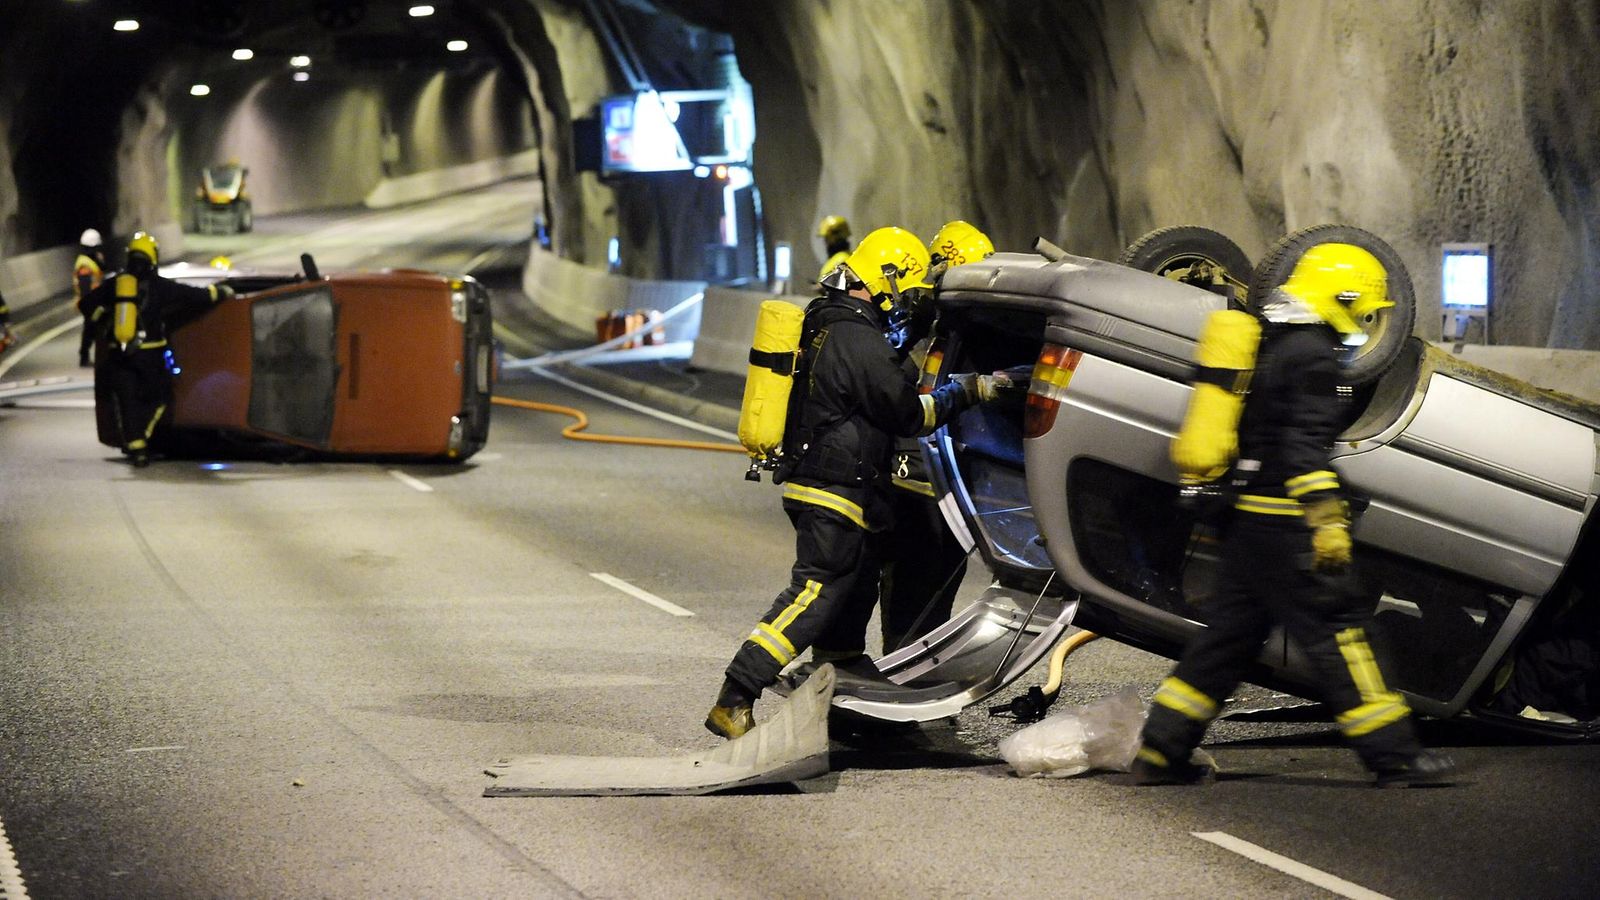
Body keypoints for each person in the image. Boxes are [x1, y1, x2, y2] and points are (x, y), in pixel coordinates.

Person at [1132, 242, 1455, 788]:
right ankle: (1395, 756)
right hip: (1288, 527)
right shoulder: (1314, 355)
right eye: (1366, 307)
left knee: (1223, 644)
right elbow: (1303, 448)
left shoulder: (1274, 341)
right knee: (1342, 636)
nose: (1368, 321)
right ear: (1343, 298)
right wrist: (1325, 518)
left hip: (1248, 524)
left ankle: (1160, 751)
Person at [707, 225, 1007, 739]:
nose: (904, 305)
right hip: (834, 486)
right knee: (816, 591)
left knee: (853, 582)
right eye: (904, 292)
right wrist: (970, 391)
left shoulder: (828, 323)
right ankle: (736, 694)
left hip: (832, 483)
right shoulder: (856, 337)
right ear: (886, 280)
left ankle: (841, 682)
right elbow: (906, 412)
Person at [878, 220, 997, 652]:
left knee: (926, 587)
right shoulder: (938, 324)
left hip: (941, 479)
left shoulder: (971, 328)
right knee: (916, 585)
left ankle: (909, 676)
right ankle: (903, 678)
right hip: (924, 479)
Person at [79, 231, 231, 467]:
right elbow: (194, 295)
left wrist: (106, 320)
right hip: (149, 355)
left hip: (118, 354)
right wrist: (219, 292)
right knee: (160, 398)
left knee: (127, 400)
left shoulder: (117, 285)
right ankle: (143, 438)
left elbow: (85, 303)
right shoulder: (160, 287)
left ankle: (135, 446)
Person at [74, 228, 107, 366]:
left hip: (94, 301)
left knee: (94, 328)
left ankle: (89, 356)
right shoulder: (85, 265)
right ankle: (84, 357)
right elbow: (85, 286)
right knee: (90, 329)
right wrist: (89, 305)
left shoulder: (90, 260)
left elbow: (101, 271)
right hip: (90, 302)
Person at [816, 215, 852, 283]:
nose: (825, 242)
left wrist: (822, 287)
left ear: (836, 237)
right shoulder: (836, 259)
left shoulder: (842, 259)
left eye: (827, 238)